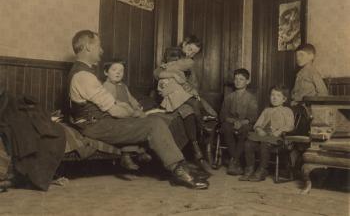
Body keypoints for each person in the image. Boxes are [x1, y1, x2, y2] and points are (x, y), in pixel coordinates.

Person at [68, 29, 208, 189]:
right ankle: (179, 170)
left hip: (99, 120)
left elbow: (112, 103)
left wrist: (132, 110)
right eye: (99, 46)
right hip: (95, 125)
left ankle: (180, 164)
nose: (102, 50)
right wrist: (135, 113)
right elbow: (115, 110)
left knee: (158, 119)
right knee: (152, 124)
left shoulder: (84, 72)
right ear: (87, 47)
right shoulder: (84, 76)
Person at [153, 36, 215, 173]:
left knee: (194, 107)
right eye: (189, 49)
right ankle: (196, 152)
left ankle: (197, 150)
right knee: (189, 110)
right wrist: (174, 77)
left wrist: (191, 89)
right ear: (184, 44)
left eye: (194, 53)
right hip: (171, 96)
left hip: (184, 96)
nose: (190, 54)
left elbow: (194, 84)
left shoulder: (189, 64)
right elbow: (157, 73)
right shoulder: (172, 56)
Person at [103, 60, 151, 171]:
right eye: (114, 70)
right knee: (129, 125)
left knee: (144, 119)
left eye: (121, 71)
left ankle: (141, 150)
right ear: (106, 72)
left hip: (128, 110)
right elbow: (111, 102)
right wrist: (127, 108)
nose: (118, 73)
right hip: (116, 113)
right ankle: (126, 155)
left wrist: (137, 106)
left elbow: (131, 98)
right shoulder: (106, 86)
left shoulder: (123, 86)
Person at [239, 85, 294, 182]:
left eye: (278, 95)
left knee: (265, 145)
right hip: (263, 136)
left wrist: (280, 131)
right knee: (248, 144)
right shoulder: (266, 110)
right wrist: (259, 129)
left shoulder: (287, 111)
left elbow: (290, 126)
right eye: (272, 95)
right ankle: (249, 169)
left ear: (284, 99)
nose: (274, 97)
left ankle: (262, 170)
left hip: (277, 138)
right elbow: (257, 124)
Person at [220, 68, 258, 176]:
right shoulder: (229, 97)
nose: (237, 81)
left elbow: (253, 117)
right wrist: (233, 121)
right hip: (231, 123)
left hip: (245, 123)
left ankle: (233, 160)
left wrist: (241, 122)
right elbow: (223, 115)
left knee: (246, 130)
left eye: (241, 79)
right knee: (226, 127)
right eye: (236, 79)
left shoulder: (251, 98)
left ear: (247, 81)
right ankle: (235, 161)